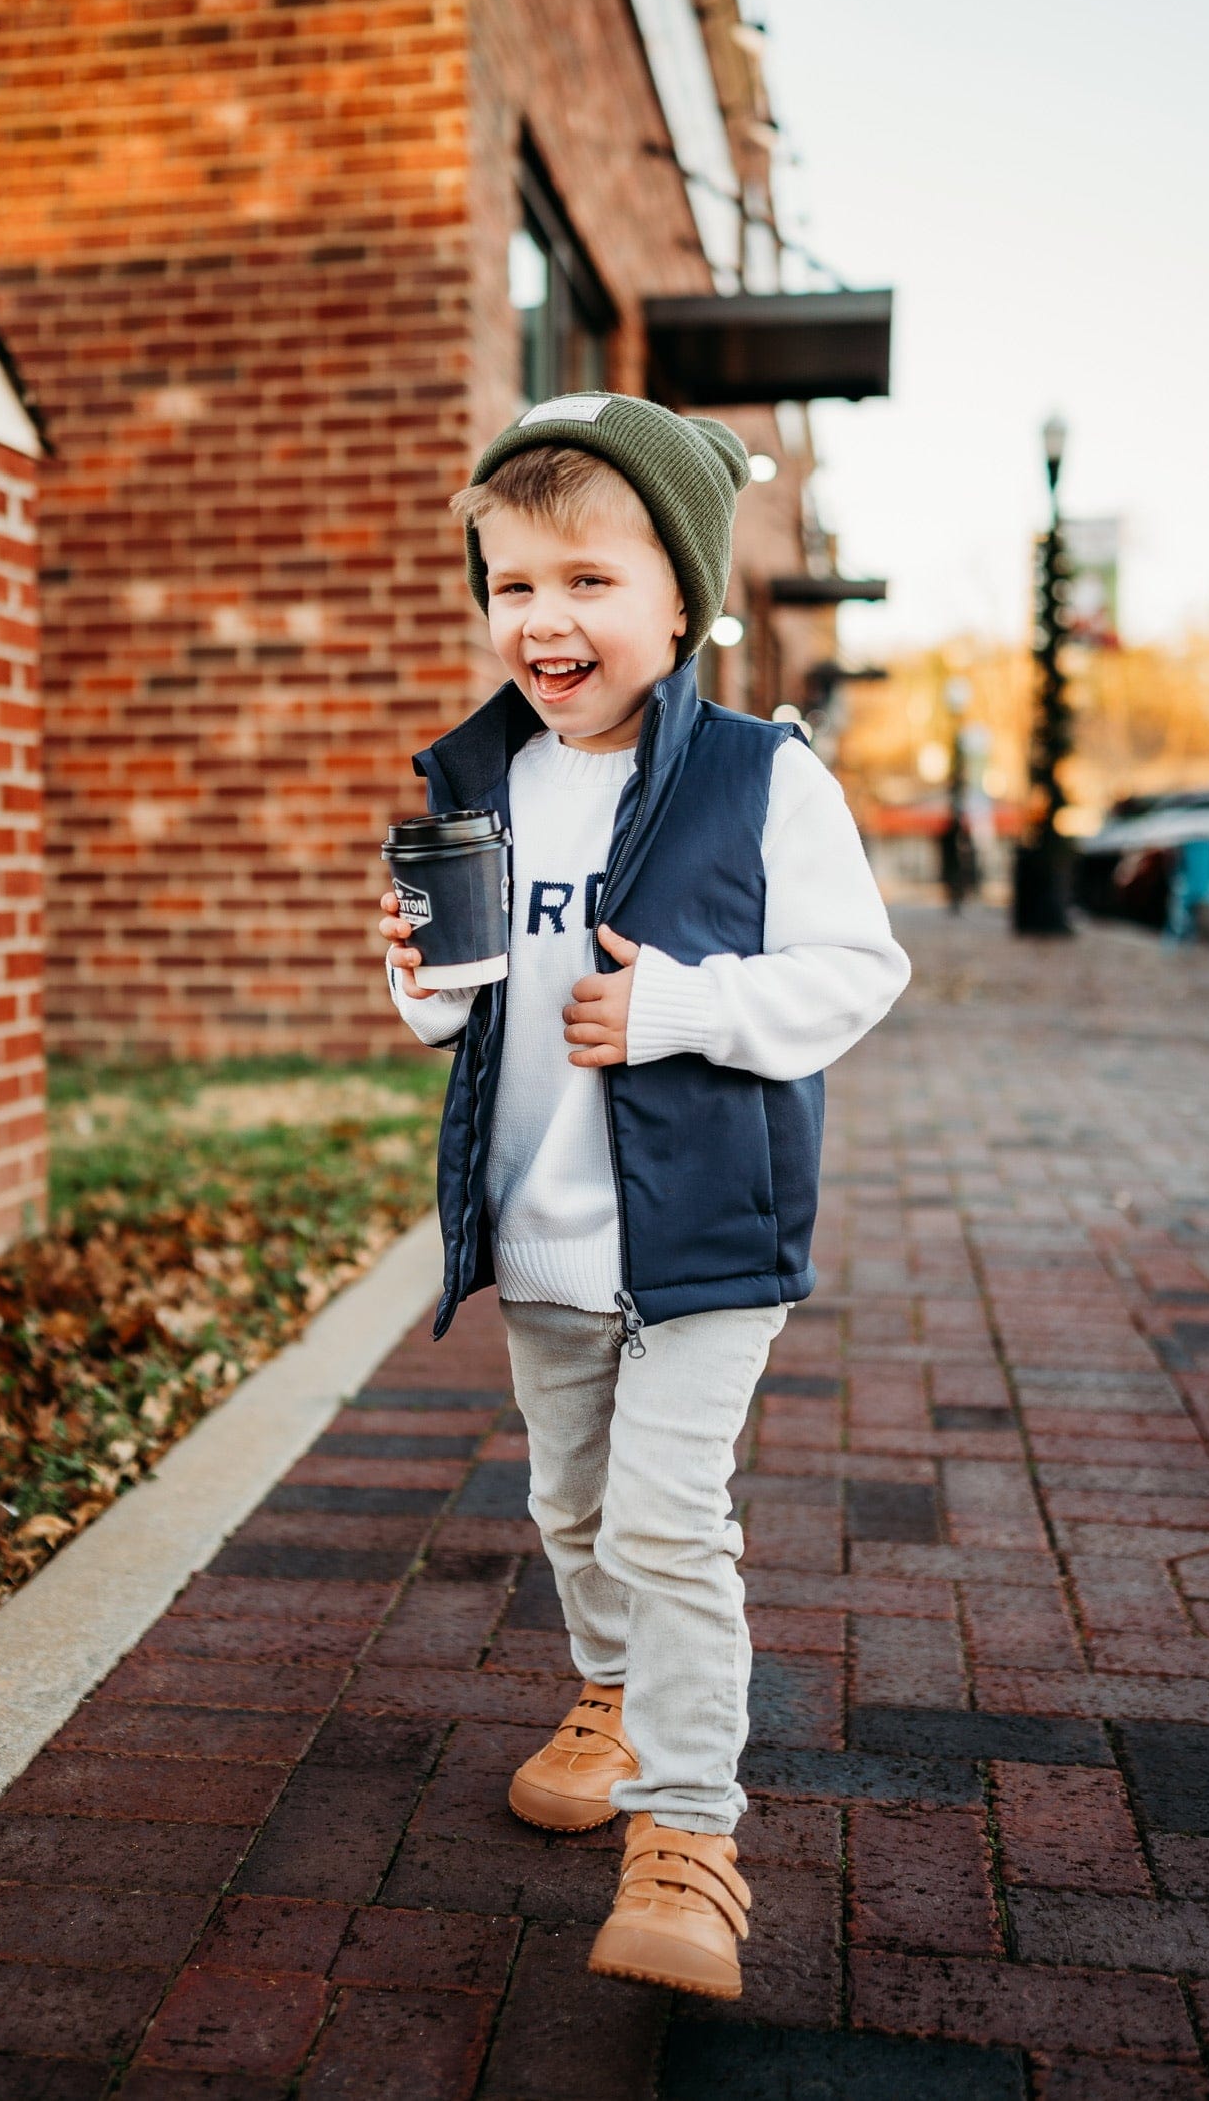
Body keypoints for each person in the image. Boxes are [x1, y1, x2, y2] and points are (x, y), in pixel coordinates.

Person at [378, 394, 909, 2001]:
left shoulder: (761, 776)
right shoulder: (479, 777)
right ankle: (611, 1695)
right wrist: (419, 981)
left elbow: (857, 970)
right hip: (542, 1223)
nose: (544, 618)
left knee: (670, 1521)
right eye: (514, 584)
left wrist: (680, 1005)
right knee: (572, 1506)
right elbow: (460, 1010)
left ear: (683, 598)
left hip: (702, 1234)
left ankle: (688, 1832)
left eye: (589, 581)